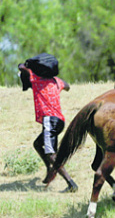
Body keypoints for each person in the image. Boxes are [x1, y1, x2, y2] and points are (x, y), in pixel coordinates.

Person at [18, 61, 78, 193]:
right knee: (38, 144)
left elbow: (21, 68)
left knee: (50, 153)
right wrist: (56, 80)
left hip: (49, 120)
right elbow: (68, 86)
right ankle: (50, 169)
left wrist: (28, 64)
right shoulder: (56, 81)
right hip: (59, 121)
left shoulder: (36, 80)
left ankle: (71, 183)